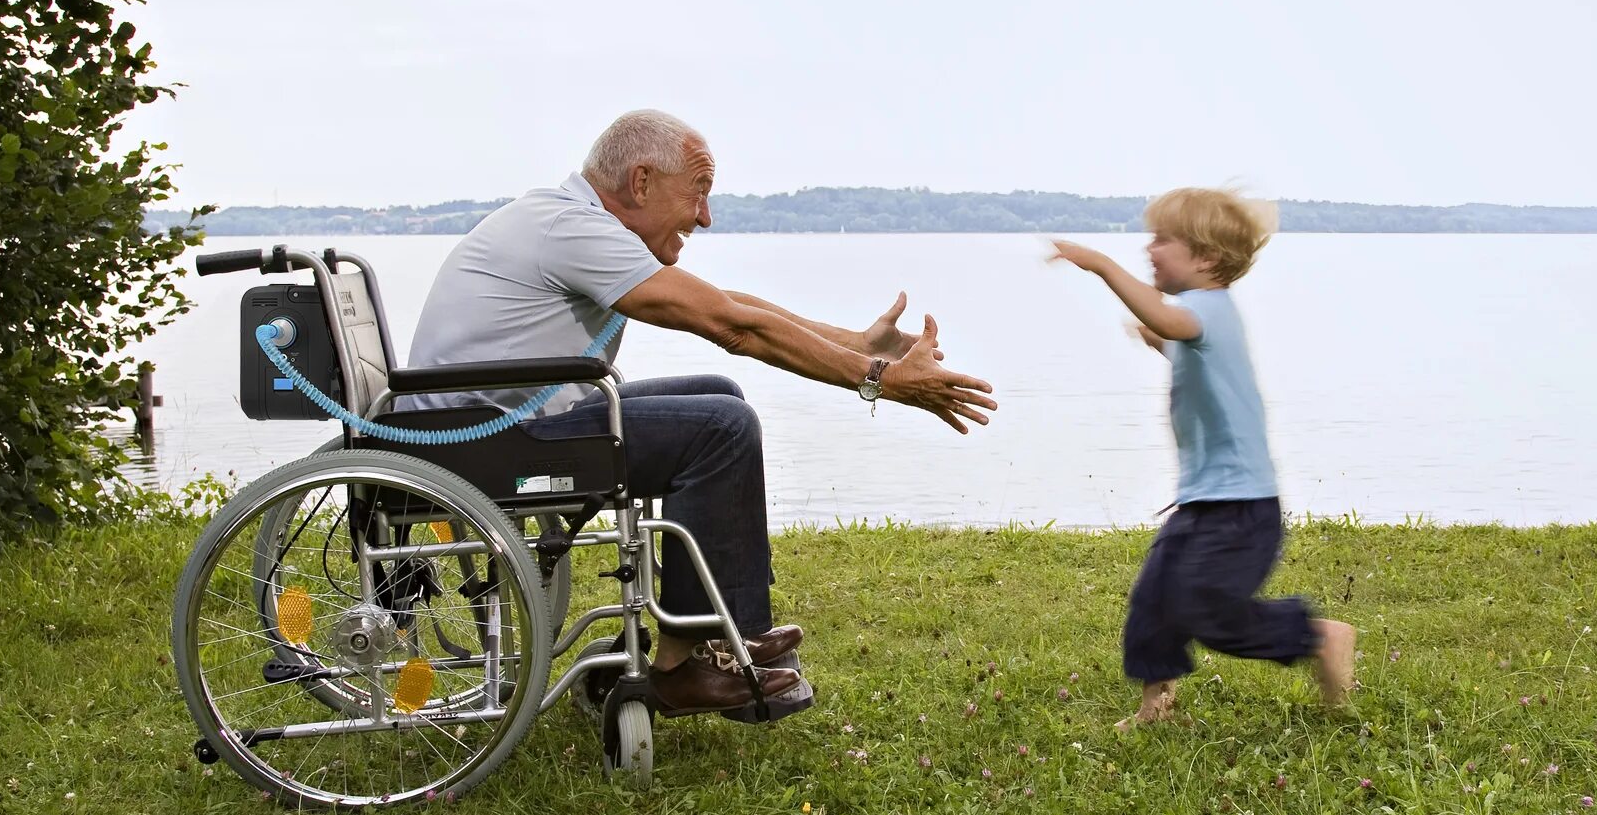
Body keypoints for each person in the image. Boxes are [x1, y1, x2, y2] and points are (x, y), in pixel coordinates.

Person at [404, 110, 997, 718]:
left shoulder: (574, 221)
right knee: (720, 429)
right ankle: (688, 661)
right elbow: (731, 325)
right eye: (699, 192)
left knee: (720, 395)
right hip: (485, 444)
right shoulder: (570, 228)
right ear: (641, 183)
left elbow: (728, 304)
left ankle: (726, 632)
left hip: (495, 427)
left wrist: (857, 345)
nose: (705, 217)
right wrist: (881, 381)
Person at [1047, 188, 1354, 726]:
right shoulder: (1205, 318)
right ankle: (1157, 707)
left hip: (1239, 508)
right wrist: (1159, 342)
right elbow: (1183, 342)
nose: (1150, 249)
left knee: (1208, 612)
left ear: (1206, 258)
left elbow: (1170, 320)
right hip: (1207, 503)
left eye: (1163, 240)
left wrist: (1098, 265)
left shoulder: (1203, 309)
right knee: (1155, 599)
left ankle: (1317, 636)